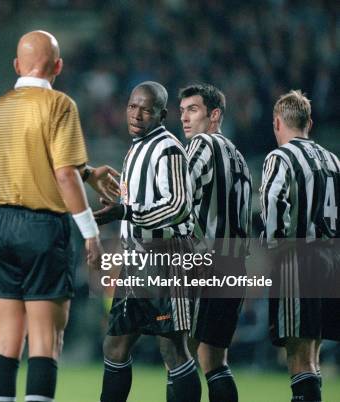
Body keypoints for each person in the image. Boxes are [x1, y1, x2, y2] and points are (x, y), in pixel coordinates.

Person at [0, 30, 118, 402]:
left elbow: (34, 158)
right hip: (42, 228)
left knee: (7, 338)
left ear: (16, 65)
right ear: (58, 66)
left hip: (0, 224)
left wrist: (88, 173)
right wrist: (90, 231)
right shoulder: (60, 105)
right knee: (46, 338)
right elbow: (61, 173)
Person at [94, 81, 201, 402]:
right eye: (132, 106)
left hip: (168, 259)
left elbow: (178, 205)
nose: (137, 114)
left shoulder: (168, 147)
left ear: (162, 114)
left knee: (172, 348)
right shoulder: (136, 148)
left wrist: (125, 211)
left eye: (146, 109)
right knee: (114, 344)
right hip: (137, 261)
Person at [260, 90, 339, 402]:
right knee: (313, 353)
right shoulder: (334, 160)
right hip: (331, 261)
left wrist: (272, 247)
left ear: (278, 122)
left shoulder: (281, 157)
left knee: (297, 355)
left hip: (299, 260)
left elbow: (271, 199)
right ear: (310, 122)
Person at [179, 83, 252, 402]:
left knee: (180, 354)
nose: (184, 118)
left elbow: (178, 197)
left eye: (192, 110)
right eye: (182, 111)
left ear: (215, 114)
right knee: (214, 360)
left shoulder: (202, 144)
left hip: (205, 264)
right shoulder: (239, 157)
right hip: (235, 265)